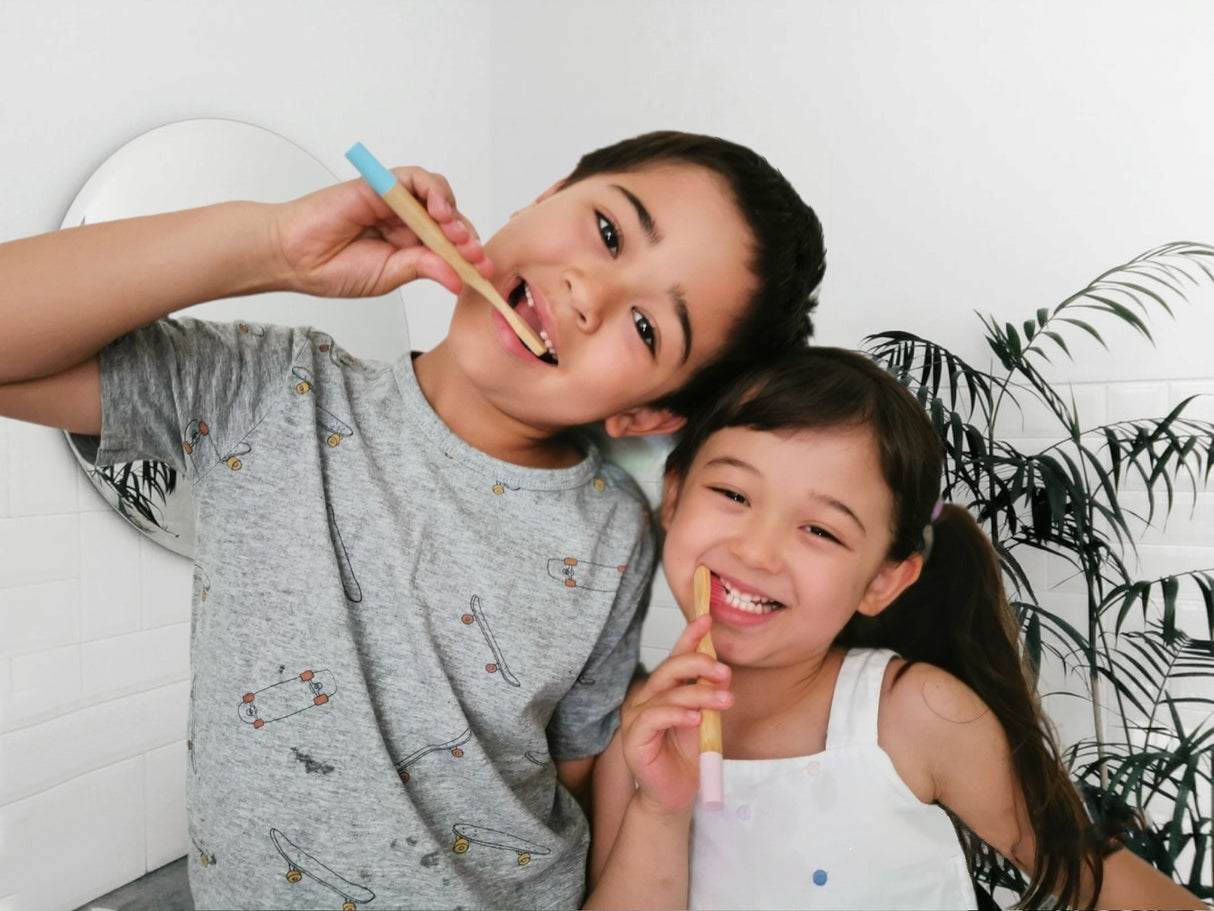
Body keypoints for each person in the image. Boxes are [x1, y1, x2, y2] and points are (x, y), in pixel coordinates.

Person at [0, 131, 825, 909]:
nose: (589, 293)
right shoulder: (264, 390)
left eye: (647, 328)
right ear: (546, 196)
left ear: (645, 414)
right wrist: (273, 247)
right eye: (607, 229)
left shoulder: (617, 536)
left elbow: (571, 774)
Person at [584, 347, 1207, 911]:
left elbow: (1095, 880)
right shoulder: (637, 739)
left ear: (883, 580)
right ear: (673, 496)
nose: (758, 551)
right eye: (733, 493)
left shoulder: (913, 714)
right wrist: (660, 811)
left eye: (821, 530)